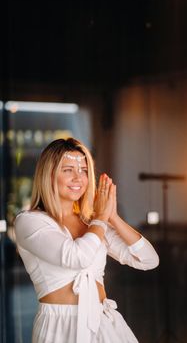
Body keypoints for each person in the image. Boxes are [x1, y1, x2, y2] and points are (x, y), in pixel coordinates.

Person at [14, 137, 159, 343]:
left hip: (105, 323)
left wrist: (112, 217)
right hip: (59, 327)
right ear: (49, 175)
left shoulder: (93, 224)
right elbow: (76, 257)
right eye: (68, 170)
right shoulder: (29, 222)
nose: (78, 178)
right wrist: (100, 218)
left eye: (83, 170)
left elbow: (148, 260)